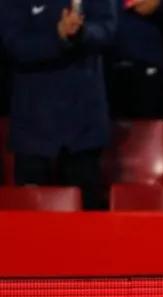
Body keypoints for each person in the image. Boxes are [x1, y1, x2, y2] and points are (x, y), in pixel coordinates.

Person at [1, 0, 116, 210]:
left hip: (84, 126)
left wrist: (80, 32)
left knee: (85, 222)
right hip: (33, 128)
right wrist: (58, 36)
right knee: (31, 224)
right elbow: (14, 43)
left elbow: (107, 29)